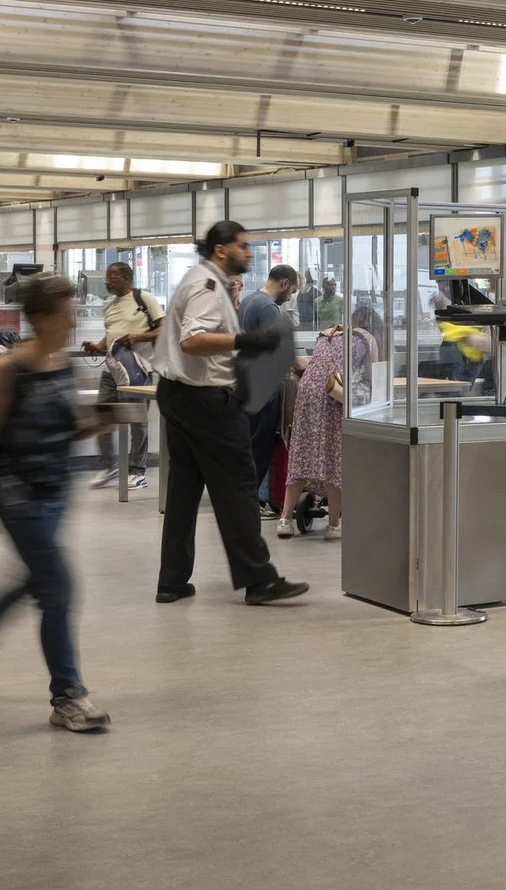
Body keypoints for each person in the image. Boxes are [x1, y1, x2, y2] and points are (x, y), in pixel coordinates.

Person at [0, 274, 111, 731]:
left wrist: (99, 424)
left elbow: (71, 426)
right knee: (58, 588)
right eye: (66, 313)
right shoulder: (3, 370)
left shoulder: (62, 364)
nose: (74, 320)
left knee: (36, 581)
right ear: (40, 318)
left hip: (57, 493)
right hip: (19, 497)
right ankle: (67, 696)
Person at [150, 220, 307, 607]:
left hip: (179, 396)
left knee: (185, 490)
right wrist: (247, 339)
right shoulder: (206, 286)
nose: (249, 253)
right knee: (238, 485)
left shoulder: (203, 280)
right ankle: (258, 579)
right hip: (205, 401)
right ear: (221, 249)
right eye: (243, 246)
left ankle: (172, 581)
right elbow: (193, 341)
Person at [280, 317, 371, 541]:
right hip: (333, 392)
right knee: (332, 455)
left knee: (301, 452)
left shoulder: (326, 333)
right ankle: (333, 525)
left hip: (308, 389)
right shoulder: (366, 338)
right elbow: (372, 375)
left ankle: (284, 520)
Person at [81, 261, 161, 492]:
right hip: (111, 370)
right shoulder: (109, 304)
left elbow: (163, 328)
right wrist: (97, 347)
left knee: (137, 422)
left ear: (126, 278)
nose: (106, 281)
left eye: (112, 277)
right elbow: (111, 334)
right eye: (106, 277)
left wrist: (139, 337)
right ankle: (109, 467)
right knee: (102, 417)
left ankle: (138, 471)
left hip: (137, 370)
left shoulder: (144, 299)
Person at [240, 263, 299, 517]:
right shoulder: (268, 307)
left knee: (249, 443)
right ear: (284, 283)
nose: (291, 297)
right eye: (292, 291)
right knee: (260, 445)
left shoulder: (248, 301)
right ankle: (249, 501)